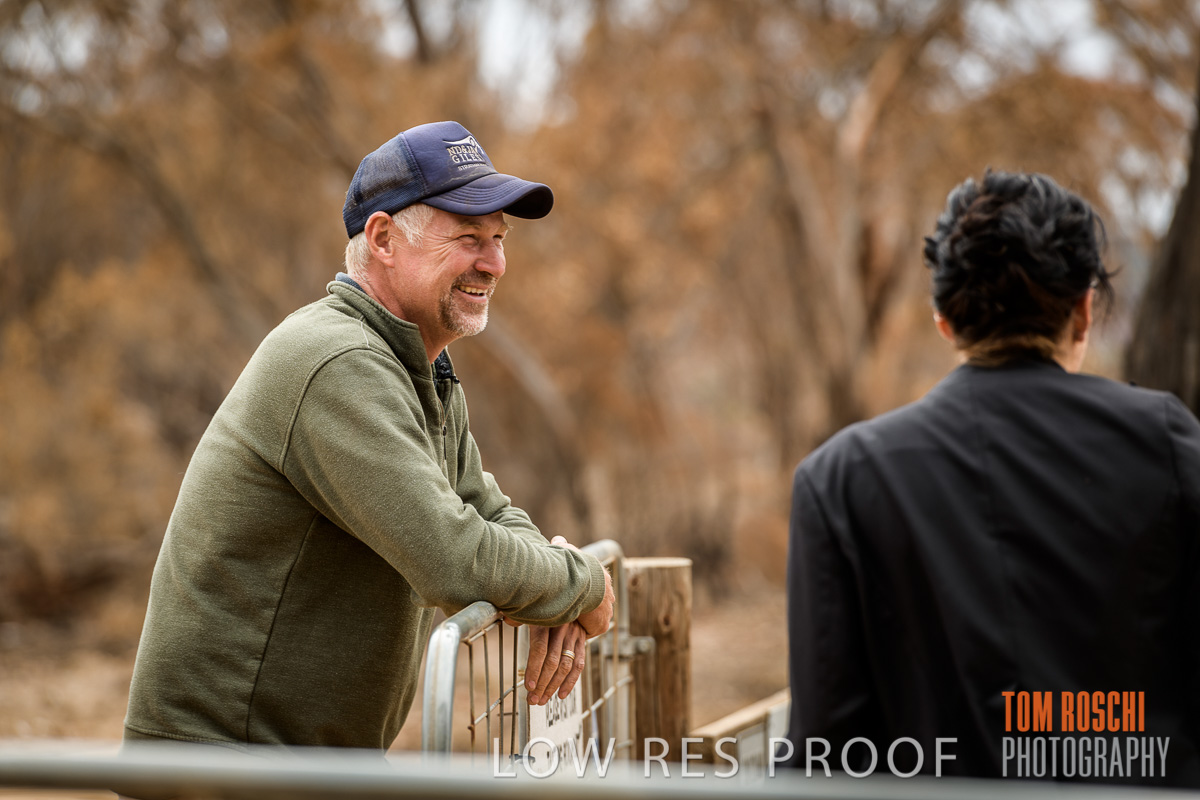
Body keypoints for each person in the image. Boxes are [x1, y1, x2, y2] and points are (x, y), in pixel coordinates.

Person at [123, 121, 614, 752]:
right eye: (469, 238)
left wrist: (557, 591)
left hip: (297, 764)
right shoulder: (338, 361)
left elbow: (488, 510)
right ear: (383, 238)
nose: (494, 263)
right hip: (223, 767)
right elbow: (453, 557)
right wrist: (580, 585)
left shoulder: (420, 367)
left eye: (498, 239)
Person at [780, 171, 1200, 786]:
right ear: (1084, 310)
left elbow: (824, 753)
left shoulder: (839, 480)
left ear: (944, 321)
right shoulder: (1168, 443)